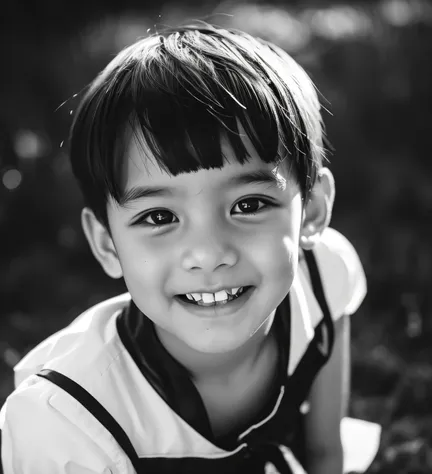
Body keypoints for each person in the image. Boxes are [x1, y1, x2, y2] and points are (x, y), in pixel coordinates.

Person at [0, 22, 379, 474]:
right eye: (159, 217)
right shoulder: (68, 423)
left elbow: (324, 454)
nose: (208, 252)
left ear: (312, 210)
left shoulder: (322, 276)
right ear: (106, 242)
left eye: (249, 204)